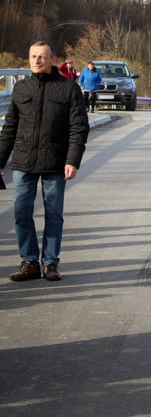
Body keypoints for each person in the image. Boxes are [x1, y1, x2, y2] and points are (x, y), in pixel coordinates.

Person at [1, 41, 89, 281]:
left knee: (53, 213)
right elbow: (9, 128)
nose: (37, 61)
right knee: (21, 212)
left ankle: (50, 263)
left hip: (55, 161)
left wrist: (73, 160)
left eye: (42, 57)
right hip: (23, 161)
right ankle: (28, 262)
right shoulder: (21, 88)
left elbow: (78, 128)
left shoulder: (68, 89)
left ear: (53, 60)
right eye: (33, 56)